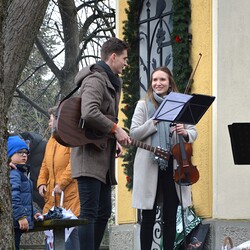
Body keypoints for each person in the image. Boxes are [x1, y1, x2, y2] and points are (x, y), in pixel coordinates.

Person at [71, 37, 131, 250]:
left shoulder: (113, 81)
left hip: (102, 157)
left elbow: (106, 118)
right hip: (88, 157)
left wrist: (113, 137)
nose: (126, 63)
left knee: (104, 211)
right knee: (88, 213)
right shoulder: (95, 79)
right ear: (113, 57)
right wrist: (116, 130)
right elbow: (89, 112)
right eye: (124, 58)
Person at [130, 66, 198, 250]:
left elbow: (193, 132)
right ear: (151, 84)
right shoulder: (143, 105)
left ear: (169, 84)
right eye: (155, 80)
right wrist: (154, 121)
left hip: (174, 165)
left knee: (170, 214)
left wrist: (184, 132)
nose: (158, 83)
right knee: (148, 215)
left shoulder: (180, 105)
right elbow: (134, 134)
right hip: (150, 165)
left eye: (162, 80)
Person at [37, 106, 80, 250]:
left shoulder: (71, 138)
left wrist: (61, 184)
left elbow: (73, 163)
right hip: (52, 197)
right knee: (50, 238)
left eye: (51, 120)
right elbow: (44, 164)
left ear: (59, 120)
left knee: (71, 238)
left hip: (69, 197)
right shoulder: (51, 141)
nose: (49, 123)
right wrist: (41, 182)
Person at [8, 135, 42, 250]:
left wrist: (34, 212)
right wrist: (21, 216)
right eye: (19, 152)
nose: (24, 155)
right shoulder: (13, 173)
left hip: (17, 223)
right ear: (9, 155)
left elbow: (25, 198)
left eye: (26, 153)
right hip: (13, 222)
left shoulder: (21, 173)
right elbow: (14, 197)